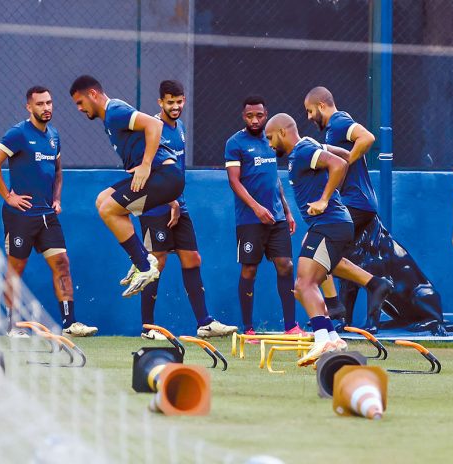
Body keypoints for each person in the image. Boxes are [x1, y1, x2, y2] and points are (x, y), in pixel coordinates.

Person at [264, 113, 392, 366]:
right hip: (331, 225)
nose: (269, 145)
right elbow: (344, 156)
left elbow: (340, 165)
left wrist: (324, 199)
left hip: (329, 224)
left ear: (281, 132)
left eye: (270, 138)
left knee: (304, 284)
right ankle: (334, 335)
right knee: (308, 282)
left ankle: (323, 339)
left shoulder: (302, 151)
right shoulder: (308, 147)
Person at [131, 80, 236, 340]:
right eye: (170, 102)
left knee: (193, 259)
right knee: (157, 263)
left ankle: (204, 323)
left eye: (179, 101)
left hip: (180, 204)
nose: (175, 106)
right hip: (156, 207)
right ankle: (148, 328)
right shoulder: (152, 129)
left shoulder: (179, 129)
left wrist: (177, 202)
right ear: (160, 102)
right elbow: (146, 170)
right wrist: (170, 201)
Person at [69, 75, 184, 297]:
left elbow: (154, 124)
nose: (80, 109)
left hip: (165, 175)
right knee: (102, 199)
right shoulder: (109, 120)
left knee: (108, 209)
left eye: (80, 102)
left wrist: (146, 165)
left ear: (92, 94)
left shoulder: (115, 111)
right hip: (162, 179)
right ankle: (142, 257)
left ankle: (144, 266)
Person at [0, 86, 97, 337]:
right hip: (21, 216)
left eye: (49, 103)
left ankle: (70, 323)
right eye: (40, 104)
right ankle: (10, 325)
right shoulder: (18, 134)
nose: (46, 108)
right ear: (29, 107)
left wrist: (56, 199)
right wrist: (8, 196)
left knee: (62, 263)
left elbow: (58, 172)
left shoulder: (54, 135)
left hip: (47, 216)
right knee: (16, 269)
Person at [225, 96, 303, 339]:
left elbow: (274, 178)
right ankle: (248, 329)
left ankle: (291, 326)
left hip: (277, 219)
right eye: (250, 116)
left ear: (266, 114)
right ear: (243, 116)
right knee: (249, 270)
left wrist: (287, 210)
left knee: (286, 265)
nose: (255, 120)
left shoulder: (271, 140)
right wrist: (257, 208)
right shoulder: (235, 143)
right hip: (250, 220)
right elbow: (234, 181)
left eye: (259, 115)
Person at [303, 86, 377, 328]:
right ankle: (343, 311)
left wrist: (344, 162)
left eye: (310, 111)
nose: (309, 117)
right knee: (330, 256)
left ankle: (336, 309)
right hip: (356, 203)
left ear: (322, 105)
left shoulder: (338, 121)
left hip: (355, 203)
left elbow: (367, 137)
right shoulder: (334, 129)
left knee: (314, 247)